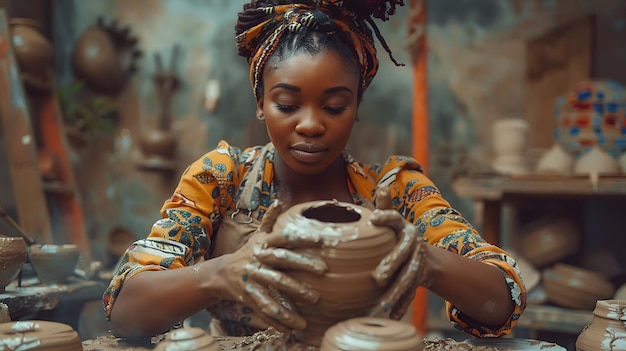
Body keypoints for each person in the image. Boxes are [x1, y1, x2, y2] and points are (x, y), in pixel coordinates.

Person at [103, 0, 526, 340]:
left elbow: (501, 298)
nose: (310, 124)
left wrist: (427, 261)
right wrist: (218, 273)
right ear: (260, 102)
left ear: (357, 106)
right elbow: (127, 310)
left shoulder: (396, 191)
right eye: (286, 105)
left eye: (334, 106)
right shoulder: (221, 179)